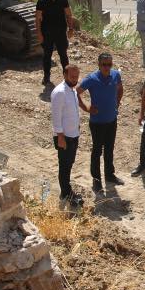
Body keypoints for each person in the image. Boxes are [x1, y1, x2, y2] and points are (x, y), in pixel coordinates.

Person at [78, 52, 125, 193]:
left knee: (109, 149)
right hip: (97, 122)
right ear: (99, 65)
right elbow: (76, 92)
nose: (106, 67)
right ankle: (96, 179)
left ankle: (109, 175)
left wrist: (117, 103)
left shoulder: (116, 75)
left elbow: (120, 88)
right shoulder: (92, 79)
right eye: (104, 64)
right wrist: (86, 108)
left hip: (112, 120)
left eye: (109, 64)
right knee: (97, 150)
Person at [35, 0, 76, 87]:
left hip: (60, 32)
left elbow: (68, 15)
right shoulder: (42, 0)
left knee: (63, 55)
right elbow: (38, 18)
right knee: (47, 56)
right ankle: (46, 77)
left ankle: (67, 77)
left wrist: (71, 29)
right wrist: (39, 33)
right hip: (47, 33)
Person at [50, 64, 83, 203]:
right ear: (64, 75)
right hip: (65, 137)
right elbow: (56, 117)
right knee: (64, 165)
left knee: (69, 163)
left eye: (76, 77)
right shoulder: (59, 92)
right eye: (72, 76)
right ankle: (66, 193)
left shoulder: (72, 90)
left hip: (73, 135)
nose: (75, 79)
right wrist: (61, 137)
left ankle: (66, 189)